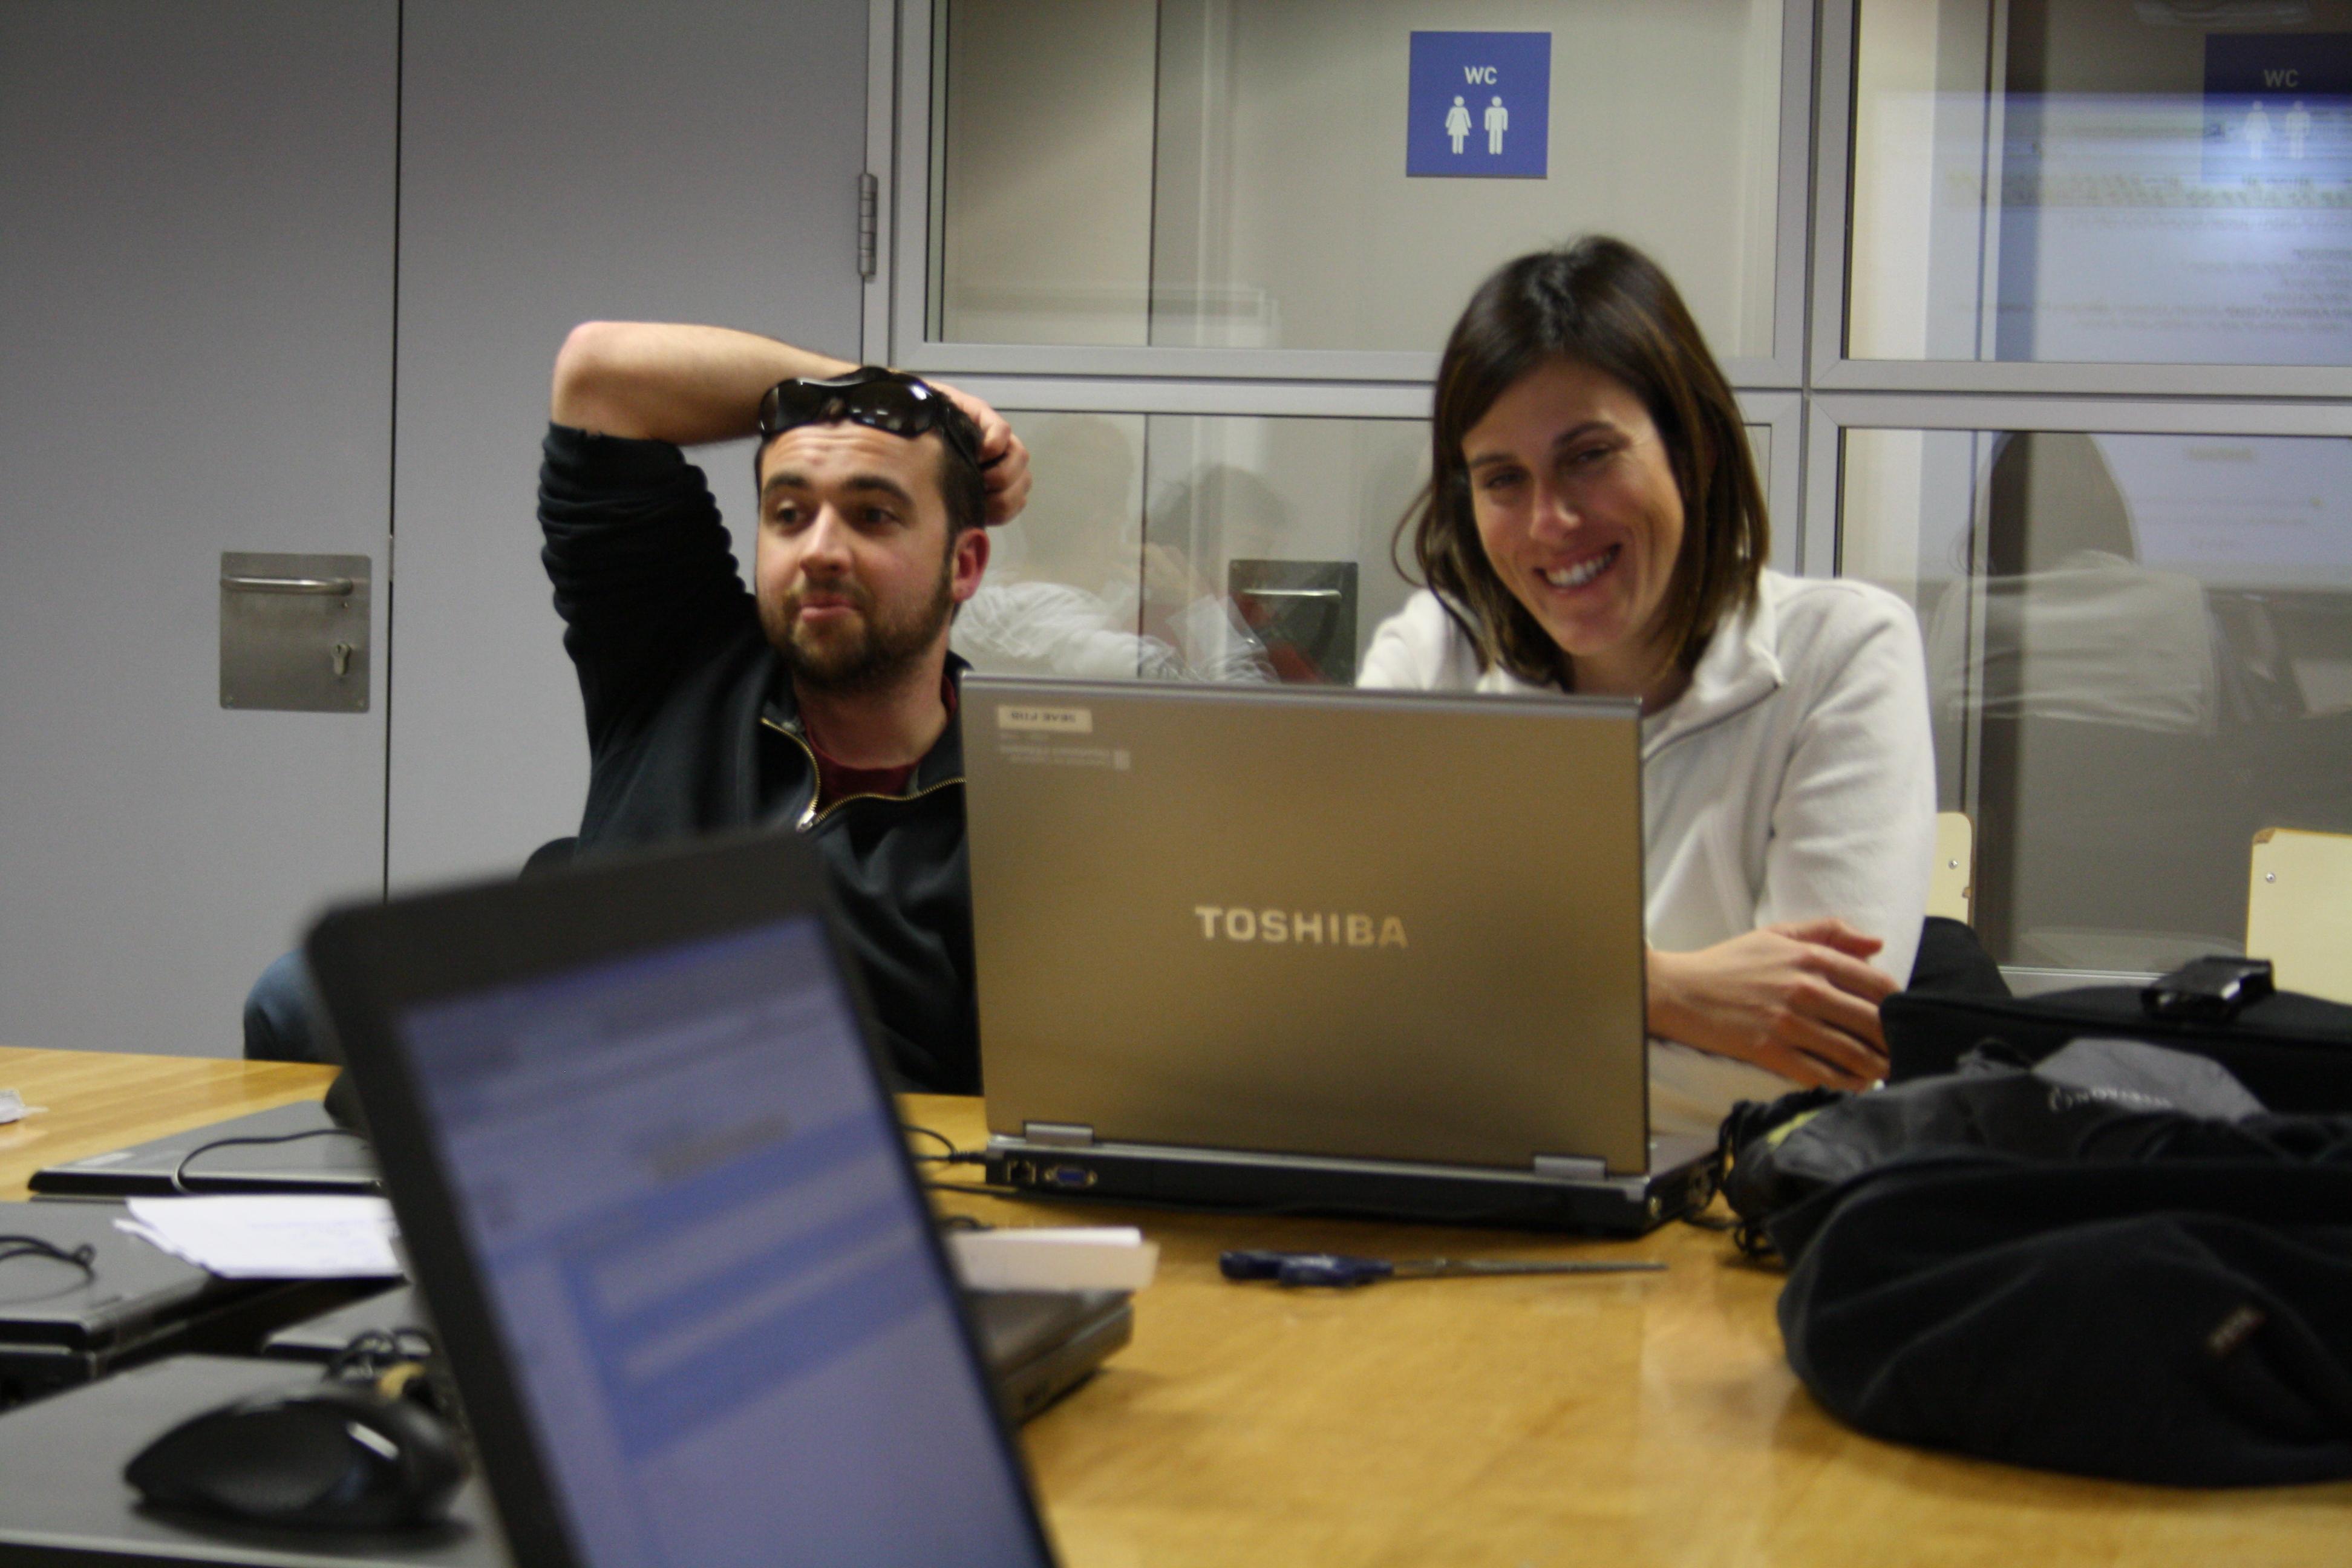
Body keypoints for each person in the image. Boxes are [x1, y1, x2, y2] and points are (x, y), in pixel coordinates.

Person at [248, 324, 1032, 1094]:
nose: (821, 551)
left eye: (873, 515)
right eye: (789, 515)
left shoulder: (1016, 819)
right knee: (296, 996)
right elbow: (600, 376)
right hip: (572, 1088)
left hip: (821, 1140)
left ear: (963, 564)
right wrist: (880, 387)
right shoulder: (680, 656)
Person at [1359, 238, 1935, 1137]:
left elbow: (1812, 1070)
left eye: (1590, 456)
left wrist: (1477, 1002)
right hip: (1453, 1202)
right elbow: (1347, 1006)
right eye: (1503, 479)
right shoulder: (1433, 655)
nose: (1550, 522)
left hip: (1727, 1212)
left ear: (1693, 449)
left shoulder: (1844, 652)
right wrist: (1665, 989)